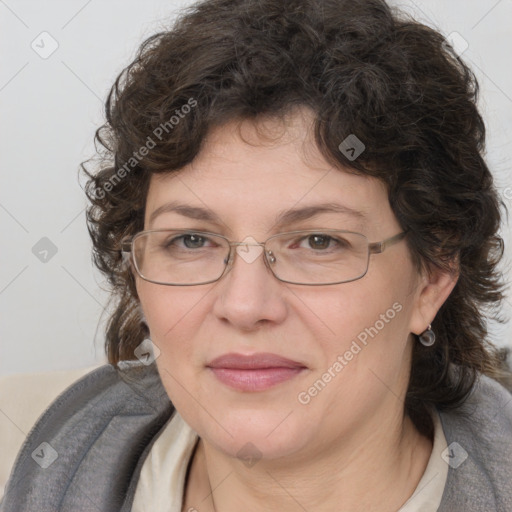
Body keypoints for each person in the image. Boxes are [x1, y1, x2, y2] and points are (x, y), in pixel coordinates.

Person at [1, 0, 511, 510]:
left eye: (318, 241)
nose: (244, 306)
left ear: (431, 278)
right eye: (191, 240)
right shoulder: (35, 461)